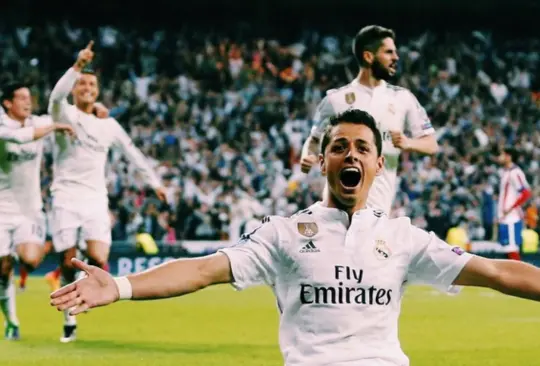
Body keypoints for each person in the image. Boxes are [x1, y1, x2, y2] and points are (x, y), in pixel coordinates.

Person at [51, 109, 540, 366]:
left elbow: (495, 271)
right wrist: (121, 286)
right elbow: (203, 269)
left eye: (362, 148)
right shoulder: (283, 233)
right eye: (339, 146)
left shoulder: (402, 236)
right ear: (324, 161)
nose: (351, 154)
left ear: (377, 164)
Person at [47, 41, 166, 343]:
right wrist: (76, 66)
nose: (86, 87)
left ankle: (82, 289)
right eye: (82, 83)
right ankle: (68, 319)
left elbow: (133, 153)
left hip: (95, 199)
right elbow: (56, 95)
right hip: (65, 196)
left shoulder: (109, 125)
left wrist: (155, 183)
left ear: (98, 91)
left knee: (99, 257)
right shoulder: (64, 113)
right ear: (75, 88)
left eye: (91, 84)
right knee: (66, 262)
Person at [300, 25, 438, 215]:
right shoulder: (335, 99)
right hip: (336, 209)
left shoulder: (403, 98)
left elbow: (431, 144)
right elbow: (314, 140)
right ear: (368, 56)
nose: (396, 58)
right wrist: (308, 156)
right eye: (389, 52)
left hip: (379, 210)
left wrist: (407, 143)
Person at [0, 84, 75, 340]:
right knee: (1, 270)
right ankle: (12, 322)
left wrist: (96, 109)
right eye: (21, 98)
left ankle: (14, 258)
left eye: (29, 97)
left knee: (31, 260)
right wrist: (53, 127)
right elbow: (19, 138)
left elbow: (70, 114)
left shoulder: (39, 121)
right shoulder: (2, 126)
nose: (27, 102)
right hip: (1, 211)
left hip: (29, 211)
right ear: (7, 103)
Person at [497, 147, 532, 261]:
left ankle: (521, 277)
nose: (499, 157)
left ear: (508, 156)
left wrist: (510, 208)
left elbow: (526, 193)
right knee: (507, 249)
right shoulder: (505, 172)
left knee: (512, 250)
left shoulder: (515, 172)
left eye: (502, 155)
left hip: (512, 217)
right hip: (504, 216)